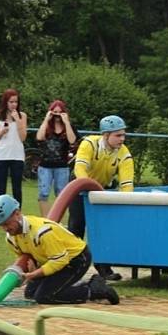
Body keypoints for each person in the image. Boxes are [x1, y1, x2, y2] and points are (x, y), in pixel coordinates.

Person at [0, 194, 119, 305]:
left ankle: (94, 290)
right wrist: (33, 270)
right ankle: (79, 284)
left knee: (44, 296)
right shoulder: (11, 239)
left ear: (17, 214)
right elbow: (28, 257)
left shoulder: (42, 232)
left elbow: (61, 260)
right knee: (30, 293)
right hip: (53, 260)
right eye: (1, 225)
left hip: (76, 259)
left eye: (7, 223)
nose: (5, 229)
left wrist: (36, 274)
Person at [68, 115, 133, 281]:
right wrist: (88, 188)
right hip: (79, 186)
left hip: (103, 189)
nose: (122, 139)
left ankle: (103, 267)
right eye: (118, 135)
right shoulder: (89, 143)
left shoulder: (124, 153)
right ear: (105, 135)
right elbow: (80, 169)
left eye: (123, 135)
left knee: (102, 229)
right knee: (77, 225)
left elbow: (127, 183)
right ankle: (71, 266)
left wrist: (127, 203)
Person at [36, 98, 77, 216]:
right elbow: (39, 137)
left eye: (60, 112)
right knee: (43, 194)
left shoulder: (68, 126)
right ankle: (46, 219)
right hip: (45, 166)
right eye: (55, 112)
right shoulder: (47, 126)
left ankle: (57, 220)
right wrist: (46, 119)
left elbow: (72, 140)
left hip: (62, 166)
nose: (57, 115)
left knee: (61, 195)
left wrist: (67, 122)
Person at [0, 88, 27, 206]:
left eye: (16, 102)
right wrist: (1, 132)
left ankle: (17, 213)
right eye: (11, 102)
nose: (13, 105)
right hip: (2, 155)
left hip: (17, 156)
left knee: (17, 187)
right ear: (5, 102)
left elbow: (23, 138)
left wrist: (17, 120)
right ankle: (0, 211)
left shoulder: (22, 116)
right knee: (1, 187)